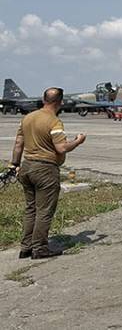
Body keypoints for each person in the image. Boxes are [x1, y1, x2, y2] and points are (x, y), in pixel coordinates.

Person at [10, 88, 86, 259]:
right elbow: (61, 148)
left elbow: (18, 144)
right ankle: (40, 248)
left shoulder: (27, 118)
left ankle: (26, 247)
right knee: (44, 211)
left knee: (31, 209)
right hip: (45, 169)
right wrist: (78, 141)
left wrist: (14, 164)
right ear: (59, 102)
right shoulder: (54, 122)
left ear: (44, 99)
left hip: (26, 167)